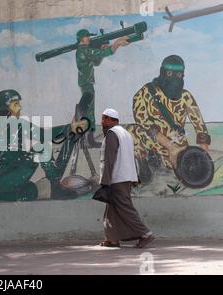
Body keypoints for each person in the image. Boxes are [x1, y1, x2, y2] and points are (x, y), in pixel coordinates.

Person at [0, 90, 88, 202]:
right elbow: (45, 135)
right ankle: (56, 190)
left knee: (31, 190)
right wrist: (70, 128)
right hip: (6, 177)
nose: (19, 108)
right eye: (15, 104)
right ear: (5, 108)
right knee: (41, 148)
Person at [127, 55, 210, 183]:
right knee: (131, 132)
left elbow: (199, 124)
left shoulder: (185, 96)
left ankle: (156, 156)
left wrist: (202, 156)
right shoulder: (145, 93)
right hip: (154, 138)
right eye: (171, 73)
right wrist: (171, 148)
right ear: (163, 72)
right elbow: (145, 124)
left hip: (177, 142)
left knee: (176, 167)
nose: (176, 78)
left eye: (179, 75)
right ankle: (142, 159)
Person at [98, 108, 155, 248]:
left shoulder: (112, 133)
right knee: (112, 208)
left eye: (104, 118)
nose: (102, 121)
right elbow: (131, 157)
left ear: (111, 120)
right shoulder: (125, 133)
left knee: (124, 208)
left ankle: (145, 234)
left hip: (117, 178)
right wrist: (135, 176)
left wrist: (105, 182)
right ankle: (112, 239)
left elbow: (109, 159)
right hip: (125, 177)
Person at [75, 29, 129, 148]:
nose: (89, 38)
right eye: (87, 36)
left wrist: (104, 49)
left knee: (89, 110)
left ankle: (89, 140)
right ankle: (87, 139)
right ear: (81, 38)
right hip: (86, 84)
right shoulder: (83, 50)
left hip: (87, 83)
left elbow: (96, 62)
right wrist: (116, 44)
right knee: (87, 110)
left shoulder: (85, 51)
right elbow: (97, 54)